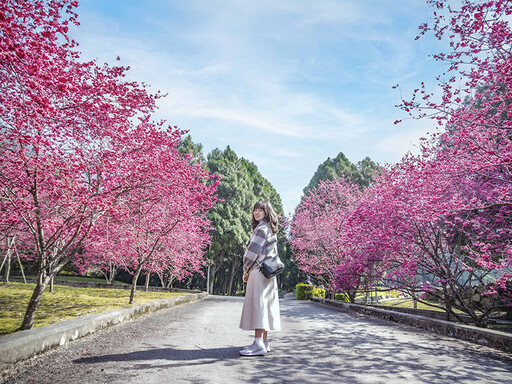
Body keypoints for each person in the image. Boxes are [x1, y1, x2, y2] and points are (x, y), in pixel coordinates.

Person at [239, 200, 281, 356]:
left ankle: (257, 344)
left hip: (258, 271)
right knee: (266, 306)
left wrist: (246, 271)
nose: (256, 213)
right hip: (269, 274)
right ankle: (264, 342)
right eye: (255, 210)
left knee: (258, 306)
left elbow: (250, 254)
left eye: (260, 210)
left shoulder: (261, 230)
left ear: (267, 212)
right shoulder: (270, 229)